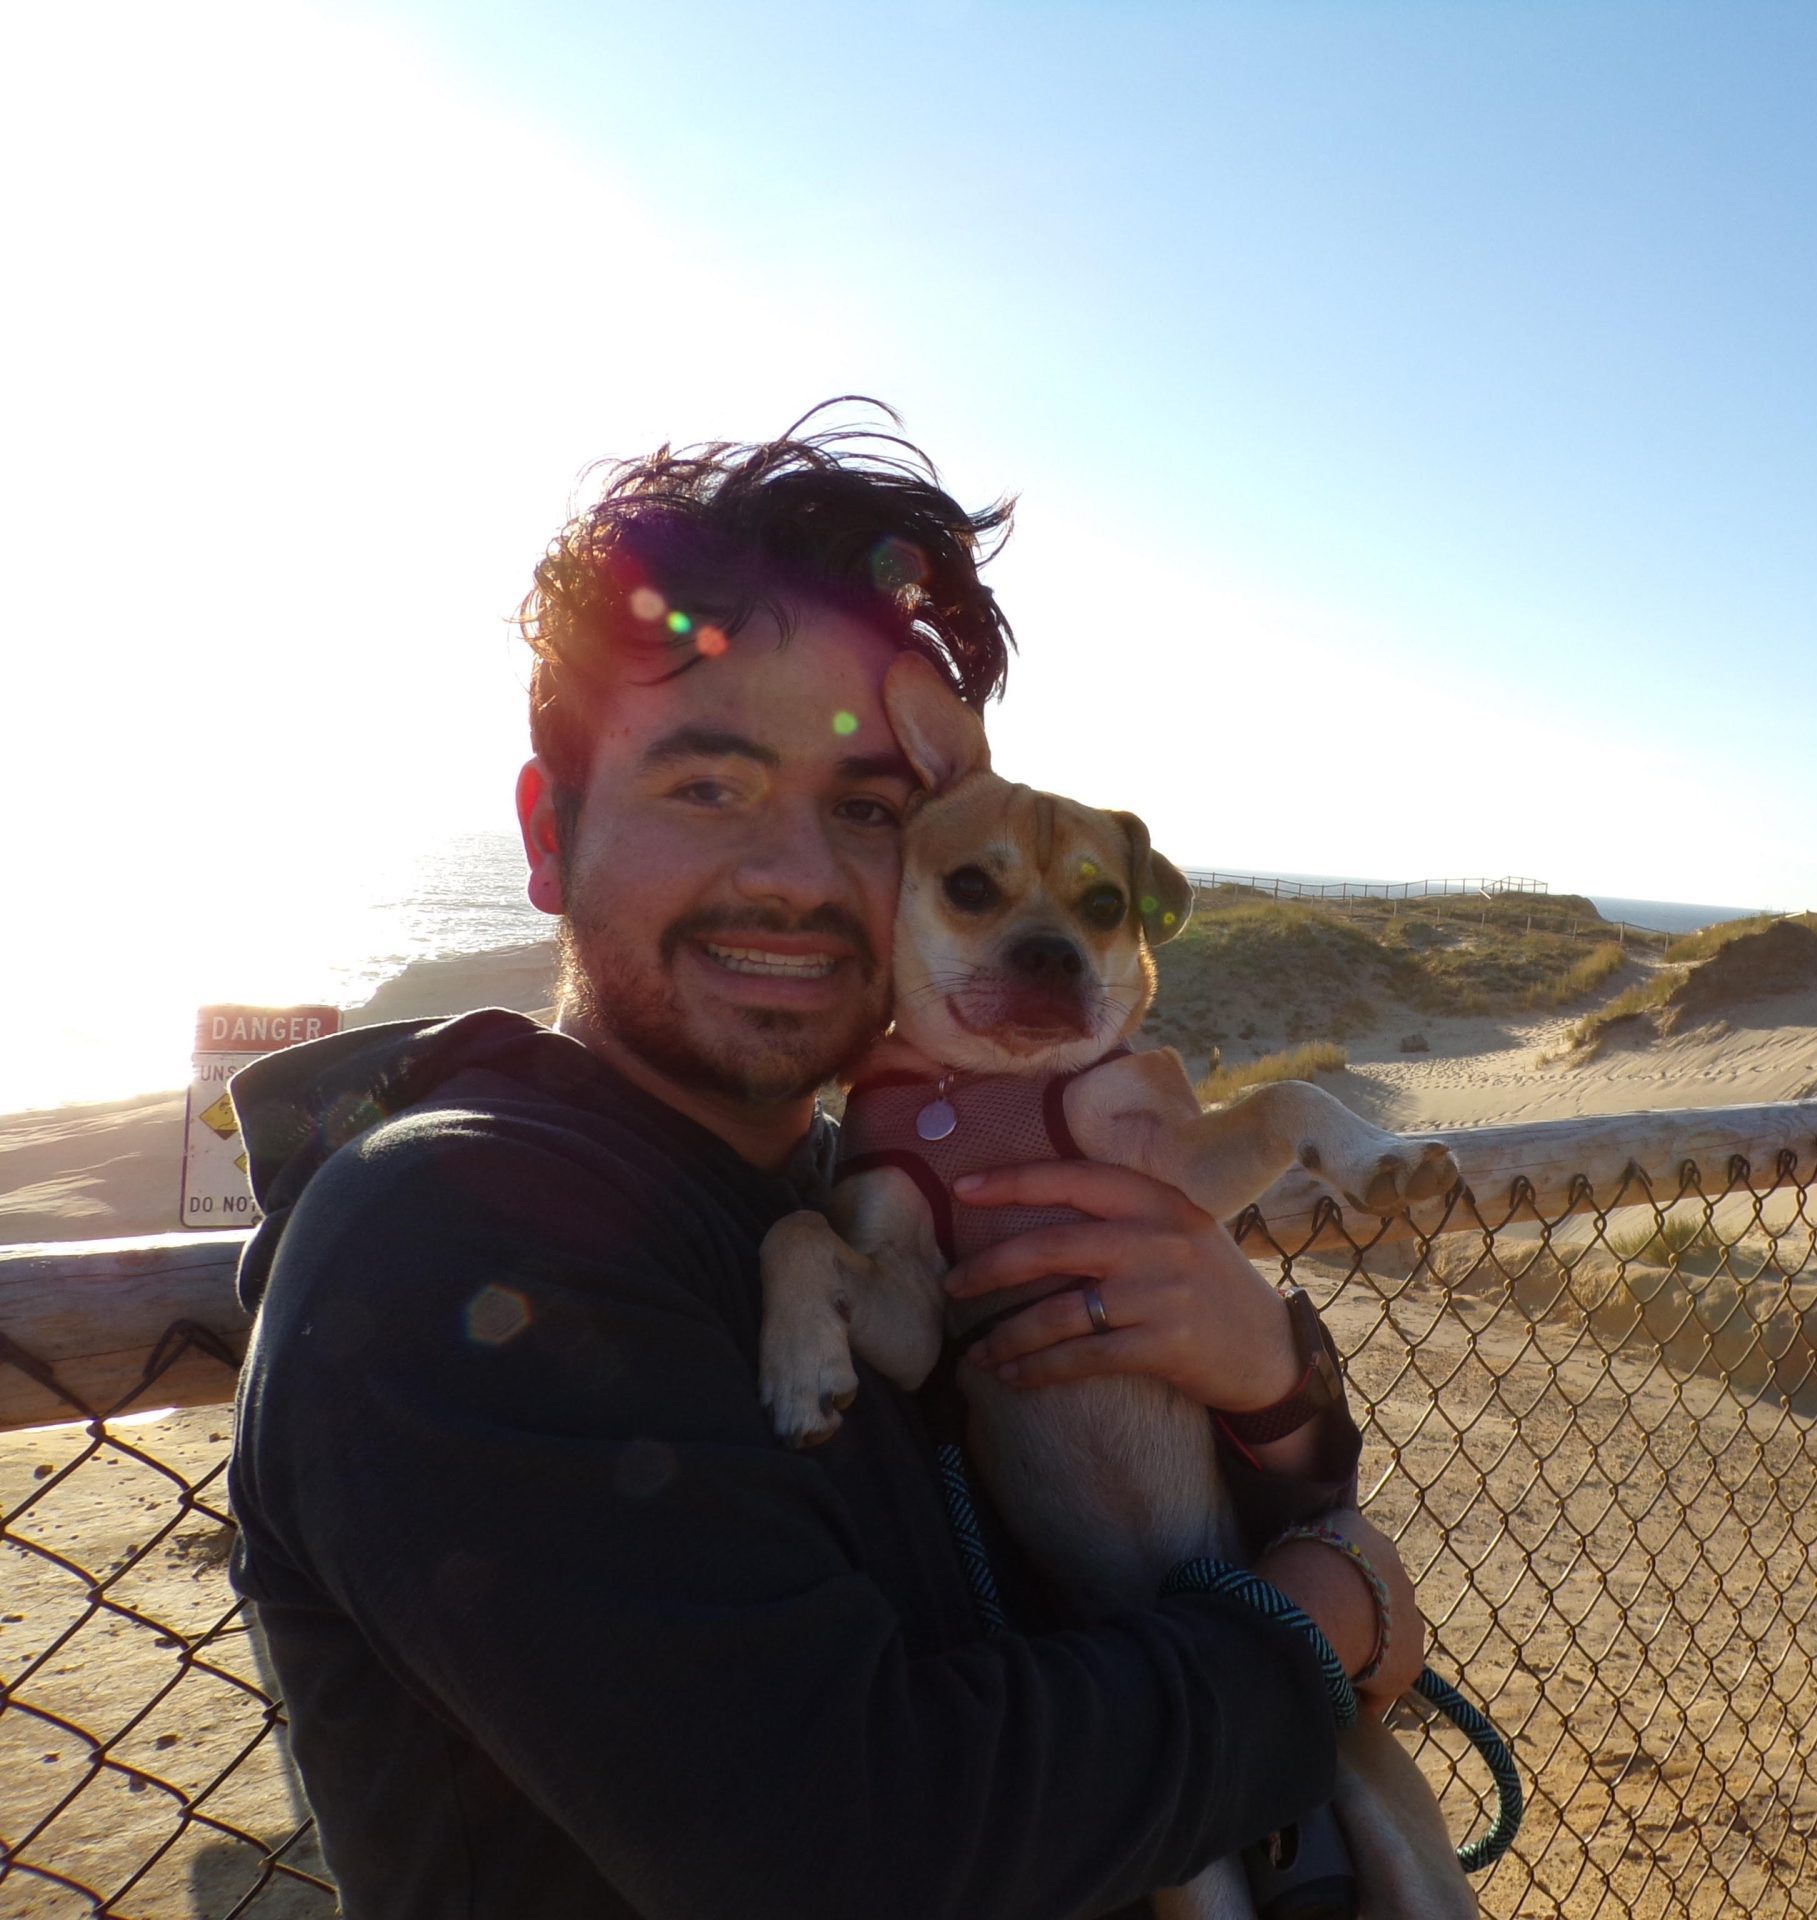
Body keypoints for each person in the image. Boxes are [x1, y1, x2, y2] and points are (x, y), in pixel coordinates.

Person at [228, 407, 1424, 1920]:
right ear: (547, 834)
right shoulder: (452, 1243)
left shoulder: (843, 1193)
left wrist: (1275, 1396)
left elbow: (1096, 1536)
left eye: (864, 810)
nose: (798, 878)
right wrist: (1318, 1623)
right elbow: (863, 1848)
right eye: (707, 786)